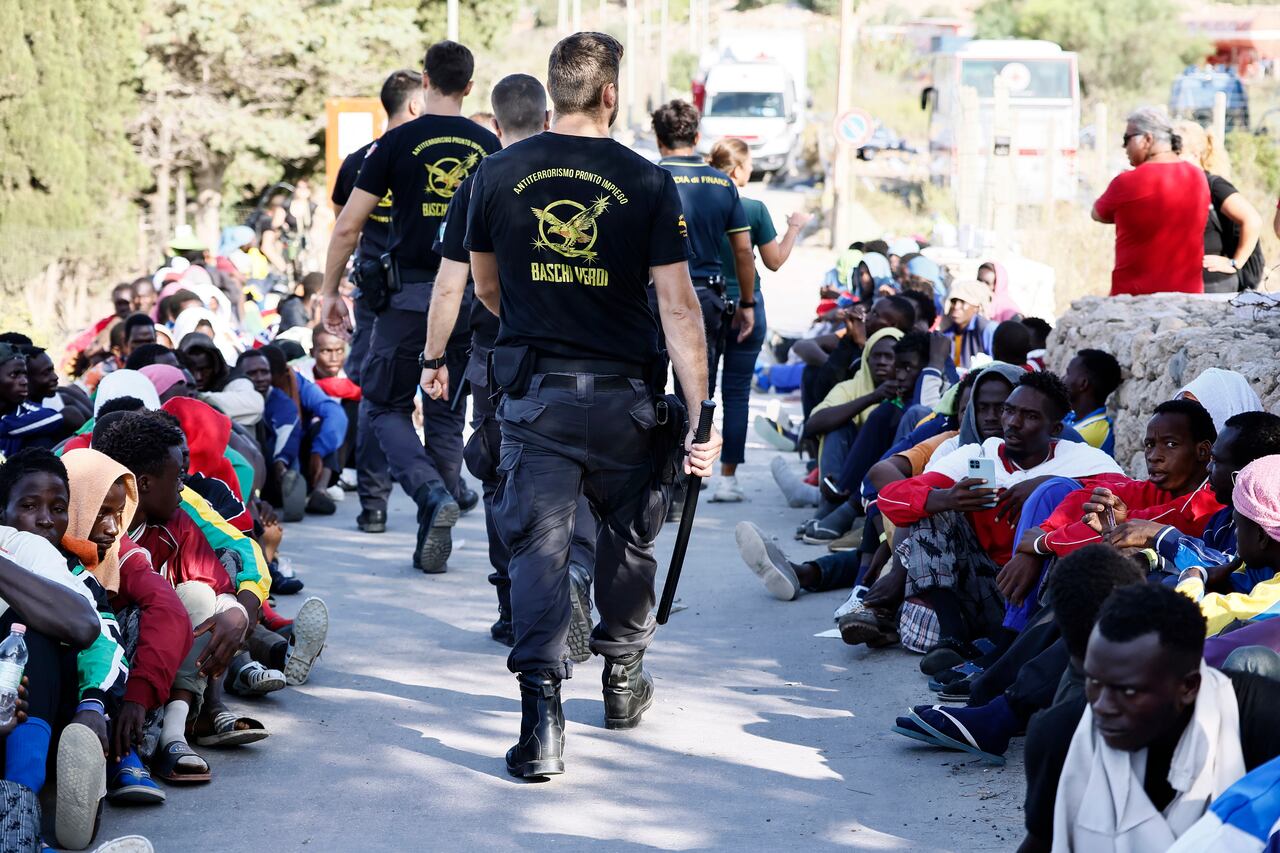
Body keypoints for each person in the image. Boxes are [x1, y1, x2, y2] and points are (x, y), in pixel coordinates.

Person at [447, 31, 720, 779]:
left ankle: (541, 725)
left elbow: (489, 288)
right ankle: (623, 678)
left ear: (553, 89)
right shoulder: (647, 181)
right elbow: (679, 307)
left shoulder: (493, 174)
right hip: (629, 397)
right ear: (609, 94)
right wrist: (701, 416)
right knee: (629, 540)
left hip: (537, 397)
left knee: (538, 548)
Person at [421, 73, 598, 654]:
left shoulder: (480, 181)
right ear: (547, 117)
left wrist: (433, 358)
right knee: (581, 474)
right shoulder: (584, 175)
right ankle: (574, 573)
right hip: (580, 355)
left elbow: (452, 286)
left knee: (503, 476)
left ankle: (512, 603)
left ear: (495, 126)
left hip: (498, 358)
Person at [321, 42, 501, 572]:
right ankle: (436, 513)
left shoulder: (394, 143)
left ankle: (428, 496)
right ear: (469, 86)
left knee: (383, 405)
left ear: (425, 81)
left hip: (408, 298)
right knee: (447, 416)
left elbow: (348, 224)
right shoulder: (489, 143)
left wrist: (331, 290)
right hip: (470, 298)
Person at [876, 372, 1123, 652]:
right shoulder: (978, 455)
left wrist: (1050, 486)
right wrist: (947, 497)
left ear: (1054, 429)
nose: (1012, 423)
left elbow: (1126, 495)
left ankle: (1012, 643)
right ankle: (950, 636)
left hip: (1037, 592)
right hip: (974, 586)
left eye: (1029, 416)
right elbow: (891, 498)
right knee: (933, 510)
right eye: (1009, 411)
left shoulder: (1081, 458)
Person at [1050, 584, 1280, 852]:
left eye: (1129, 690)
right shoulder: (1063, 734)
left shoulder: (1261, 718)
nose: (1102, 706)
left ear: (1189, 687)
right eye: (1093, 681)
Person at [92, 412, 253, 785]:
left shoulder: (175, 522)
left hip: (155, 665)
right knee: (139, 615)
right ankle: (122, 748)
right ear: (145, 483)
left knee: (201, 594)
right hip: (108, 665)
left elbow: (213, 581)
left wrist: (233, 611)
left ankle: (173, 735)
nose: (183, 486)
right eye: (178, 476)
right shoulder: (97, 528)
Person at [331, 69, 422, 536]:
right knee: (428, 402)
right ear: (411, 106)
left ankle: (375, 504)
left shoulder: (356, 160)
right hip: (421, 287)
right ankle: (437, 498)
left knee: (376, 395)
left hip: (373, 290)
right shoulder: (421, 156)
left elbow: (343, 225)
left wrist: (332, 290)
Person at [704, 137, 811, 502]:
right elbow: (774, 260)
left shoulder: (692, 204)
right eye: (749, 166)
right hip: (745, 307)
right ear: (737, 170)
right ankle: (727, 480)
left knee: (697, 392)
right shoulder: (752, 209)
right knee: (736, 394)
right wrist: (795, 227)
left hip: (701, 305)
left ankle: (690, 470)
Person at [651, 99, 755, 393]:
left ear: (659, 140)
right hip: (706, 298)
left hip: (653, 298)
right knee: (697, 396)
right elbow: (744, 251)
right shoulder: (724, 184)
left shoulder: (645, 177)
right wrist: (747, 304)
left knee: (648, 391)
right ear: (697, 138)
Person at [1092, 106, 1209, 296]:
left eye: (1127, 139)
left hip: (1134, 299)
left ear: (1147, 139)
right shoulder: (1197, 176)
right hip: (1188, 297)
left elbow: (1098, 214)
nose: (1124, 147)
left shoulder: (1127, 182)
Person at [1175, 119, 1263, 293]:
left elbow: (1253, 220)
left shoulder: (1214, 185)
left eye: (1176, 151)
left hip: (1215, 286)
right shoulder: (1181, 184)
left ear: (1195, 154)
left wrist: (1234, 263)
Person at [1061, 348, 1122, 457]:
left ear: (1083, 384)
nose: (1062, 379)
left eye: (1068, 373)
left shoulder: (1093, 432)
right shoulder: (1073, 416)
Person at [942, 280, 995, 369]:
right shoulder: (949, 331)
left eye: (963, 302)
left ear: (976, 307)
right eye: (954, 301)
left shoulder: (987, 329)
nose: (956, 306)